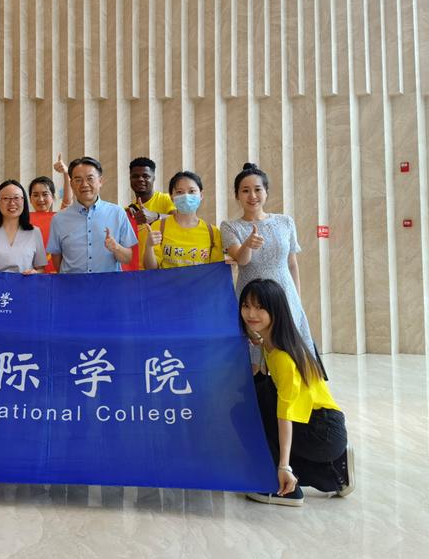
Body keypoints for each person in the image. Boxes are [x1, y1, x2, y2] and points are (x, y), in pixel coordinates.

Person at [239, 278, 354, 506]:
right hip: (323, 426)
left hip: (322, 432)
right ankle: (333, 472)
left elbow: (285, 415)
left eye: (260, 307)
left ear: (276, 310)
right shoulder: (277, 342)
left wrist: (284, 466)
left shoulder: (283, 357)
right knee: (256, 395)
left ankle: (284, 488)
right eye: (246, 305)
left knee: (246, 412)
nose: (251, 313)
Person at [221, 163, 317, 372]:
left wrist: (297, 299)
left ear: (266, 192)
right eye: (245, 190)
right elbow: (241, 260)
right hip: (252, 300)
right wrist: (248, 244)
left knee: (289, 358)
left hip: (285, 294)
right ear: (237, 195)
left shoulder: (285, 222)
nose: (252, 195)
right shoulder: (230, 226)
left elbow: (292, 264)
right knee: (254, 362)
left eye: (258, 189)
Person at [47, 157, 138, 273]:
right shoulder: (59, 219)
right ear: (71, 184)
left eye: (90, 178)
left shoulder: (117, 213)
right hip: (72, 283)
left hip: (107, 283)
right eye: (78, 180)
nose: (84, 184)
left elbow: (128, 258)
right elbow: (57, 259)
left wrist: (116, 248)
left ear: (100, 181)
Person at [142, 171, 224, 269]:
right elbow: (151, 268)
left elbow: (216, 271)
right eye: (179, 192)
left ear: (201, 195)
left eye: (192, 191)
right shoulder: (158, 227)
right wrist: (149, 246)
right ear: (171, 197)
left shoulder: (213, 233)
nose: (186, 196)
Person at [0, 180, 47, 273]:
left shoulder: (34, 232)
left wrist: (35, 273)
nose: (12, 203)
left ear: (24, 201)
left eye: (16, 198)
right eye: (6, 198)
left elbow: (40, 268)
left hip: (24, 282)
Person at [125, 157, 176, 269]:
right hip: (136, 272)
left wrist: (156, 216)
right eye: (135, 176)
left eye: (146, 176)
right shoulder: (127, 211)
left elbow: (179, 219)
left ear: (154, 178)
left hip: (162, 269)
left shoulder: (166, 199)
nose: (140, 179)